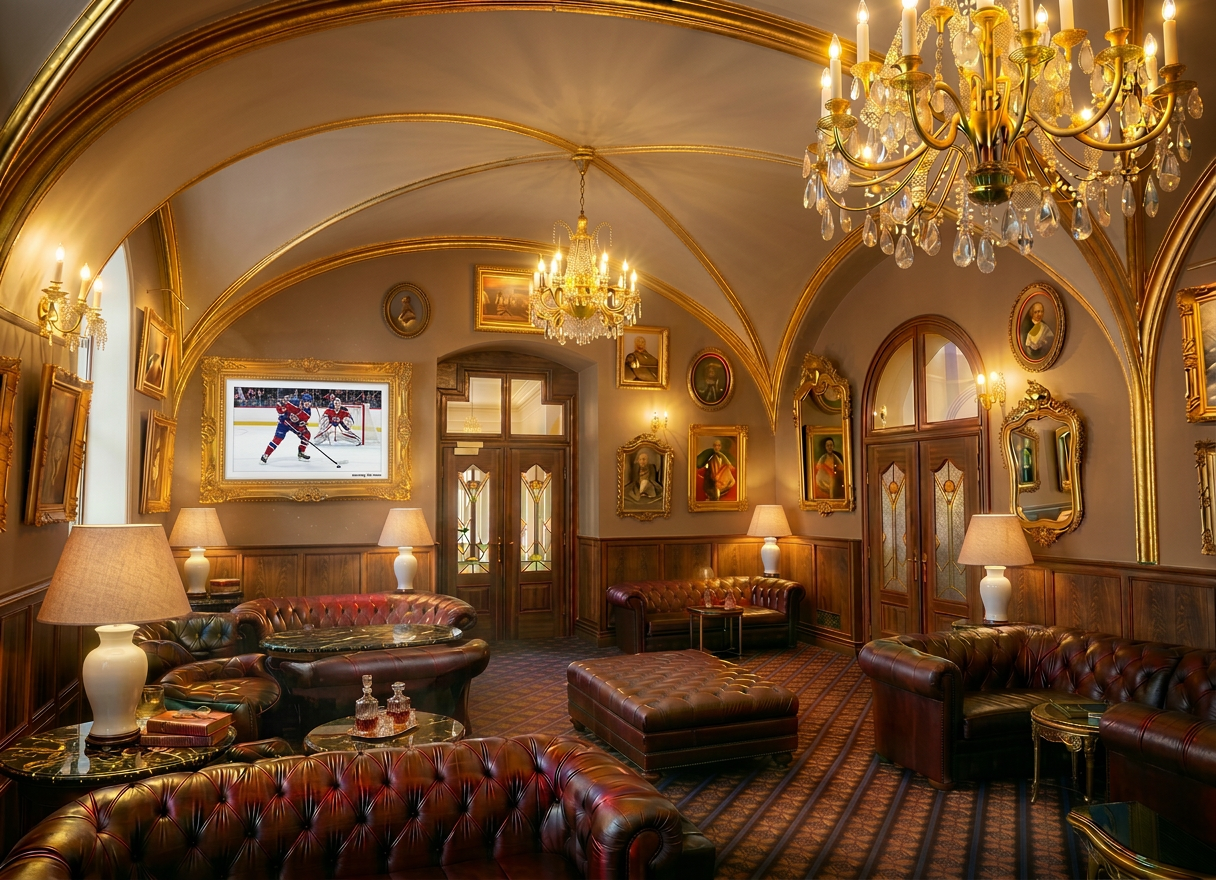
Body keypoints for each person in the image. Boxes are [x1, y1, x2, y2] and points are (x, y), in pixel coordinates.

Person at [261, 392, 313, 463]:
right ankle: (266, 455)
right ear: (302, 401)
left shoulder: (307, 413)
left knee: (306, 435)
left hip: (294, 425)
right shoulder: (293, 402)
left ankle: (301, 453)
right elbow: (280, 407)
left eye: (309, 402)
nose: (308, 404)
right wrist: (281, 411)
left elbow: (300, 424)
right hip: (284, 423)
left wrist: (300, 431)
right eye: (306, 401)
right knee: (277, 439)